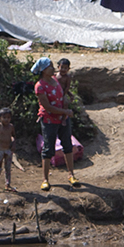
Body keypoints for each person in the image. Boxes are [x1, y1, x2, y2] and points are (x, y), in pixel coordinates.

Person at [33, 57, 78, 190]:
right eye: (50, 66)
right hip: (49, 120)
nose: (53, 68)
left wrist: (67, 100)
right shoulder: (40, 86)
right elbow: (48, 107)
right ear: (43, 70)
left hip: (62, 117)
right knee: (48, 149)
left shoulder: (55, 80)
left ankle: (71, 174)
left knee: (67, 145)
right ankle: (45, 179)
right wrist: (65, 111)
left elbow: (62, 92)